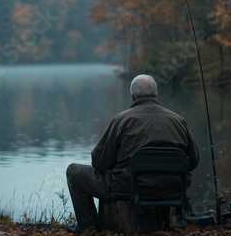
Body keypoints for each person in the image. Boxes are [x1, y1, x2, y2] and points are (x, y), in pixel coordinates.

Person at [66, 74, 200, 233]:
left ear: (132, 97)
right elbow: (193, 161)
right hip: (173, 188)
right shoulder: (178, 120)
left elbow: (99, 163)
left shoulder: (121, 120)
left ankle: (89, 229)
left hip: (128, 188)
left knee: (73, 172)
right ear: (156, 95)